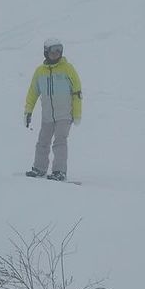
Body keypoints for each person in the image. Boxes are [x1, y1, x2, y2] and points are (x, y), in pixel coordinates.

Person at [24, 37, 82, 181]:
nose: (56, 53)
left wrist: (77, 113)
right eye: (53, 51)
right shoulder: (40, 72)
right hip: (47, 116)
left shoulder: (68, 69)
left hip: (65, 115)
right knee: (42, 141)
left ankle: (59, 171)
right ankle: (39, 168)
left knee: (60, 142)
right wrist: (28, 111)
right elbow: (32, 93)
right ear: (46, 52)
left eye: (58, 50)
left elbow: (77, 92)